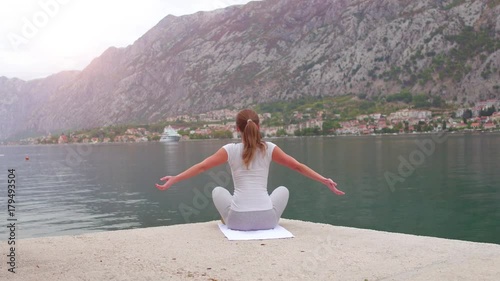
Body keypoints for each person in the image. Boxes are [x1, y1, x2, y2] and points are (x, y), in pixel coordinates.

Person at [155, 109, 345, 231]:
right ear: (259, 126)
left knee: (217, 191)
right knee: (283, 190)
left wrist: (175, 179)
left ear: (238, 129)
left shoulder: (230, 150)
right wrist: (324, 180)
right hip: (268, 221)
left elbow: (202, 166)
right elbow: (298, 166)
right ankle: (257, 215)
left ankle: (226, 220)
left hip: (237, 222)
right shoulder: (269, 148)